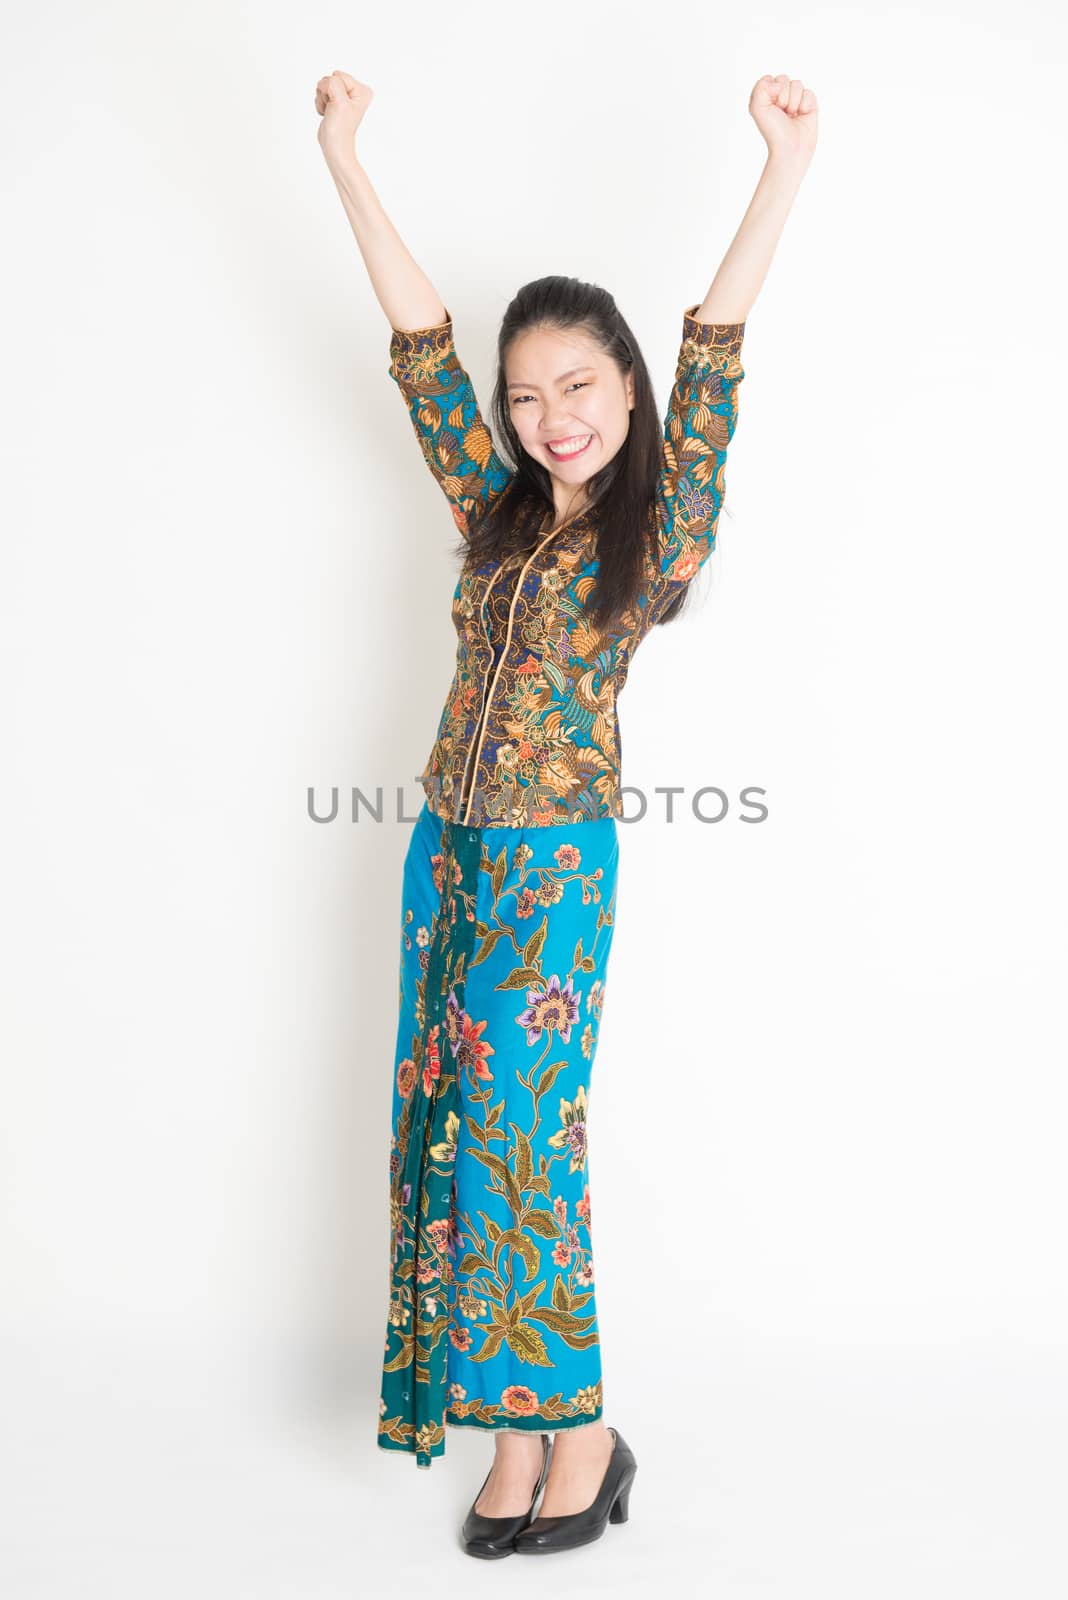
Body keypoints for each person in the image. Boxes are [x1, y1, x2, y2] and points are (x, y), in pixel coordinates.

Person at [315, 66, 818, 1556]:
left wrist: (782, 172)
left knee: (527, 1134)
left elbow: (717, 353)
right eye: (527, 396)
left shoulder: (660, 524)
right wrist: (347, 156)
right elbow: (418, 350)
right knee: (460, 1125)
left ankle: (581, 1433)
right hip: (447, 852)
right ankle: (522, 1433)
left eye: (576, 388)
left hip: (553, 867)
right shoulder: (494, 510)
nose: (550, 419)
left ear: (623, 390)